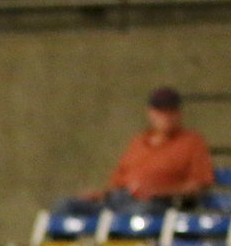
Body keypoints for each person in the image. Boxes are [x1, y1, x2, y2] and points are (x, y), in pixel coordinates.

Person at [59, 86, 213, 216]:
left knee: (137, 213)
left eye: (171, 111)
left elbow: (198, 186)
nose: (166, 117)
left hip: (156, 203)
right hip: (120, 199)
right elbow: (118, 182)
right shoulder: (138, 142)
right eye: (160, 111)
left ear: (179, 114)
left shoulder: (192, 142)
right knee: (67, 205)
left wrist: (157, 191)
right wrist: (101, 194)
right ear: (151, 113)